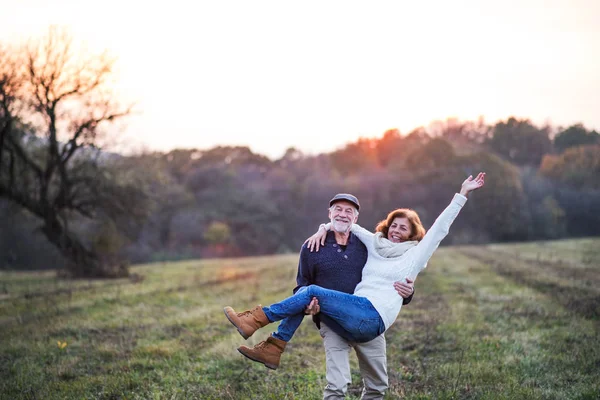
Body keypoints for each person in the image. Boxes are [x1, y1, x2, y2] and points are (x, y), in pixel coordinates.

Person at [224, 173, 485, 389]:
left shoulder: (416, 254)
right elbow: (346, 225)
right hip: (346, 316)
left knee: (313, 292)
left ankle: (259, 323)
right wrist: (322, 228)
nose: (396, 231)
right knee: (308, 294)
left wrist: (462, 194)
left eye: (403, 228)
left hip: (372, 317)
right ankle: (272, 344)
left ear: (412, 235)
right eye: (393, 225)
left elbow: (440, 228)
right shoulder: (373, 244)